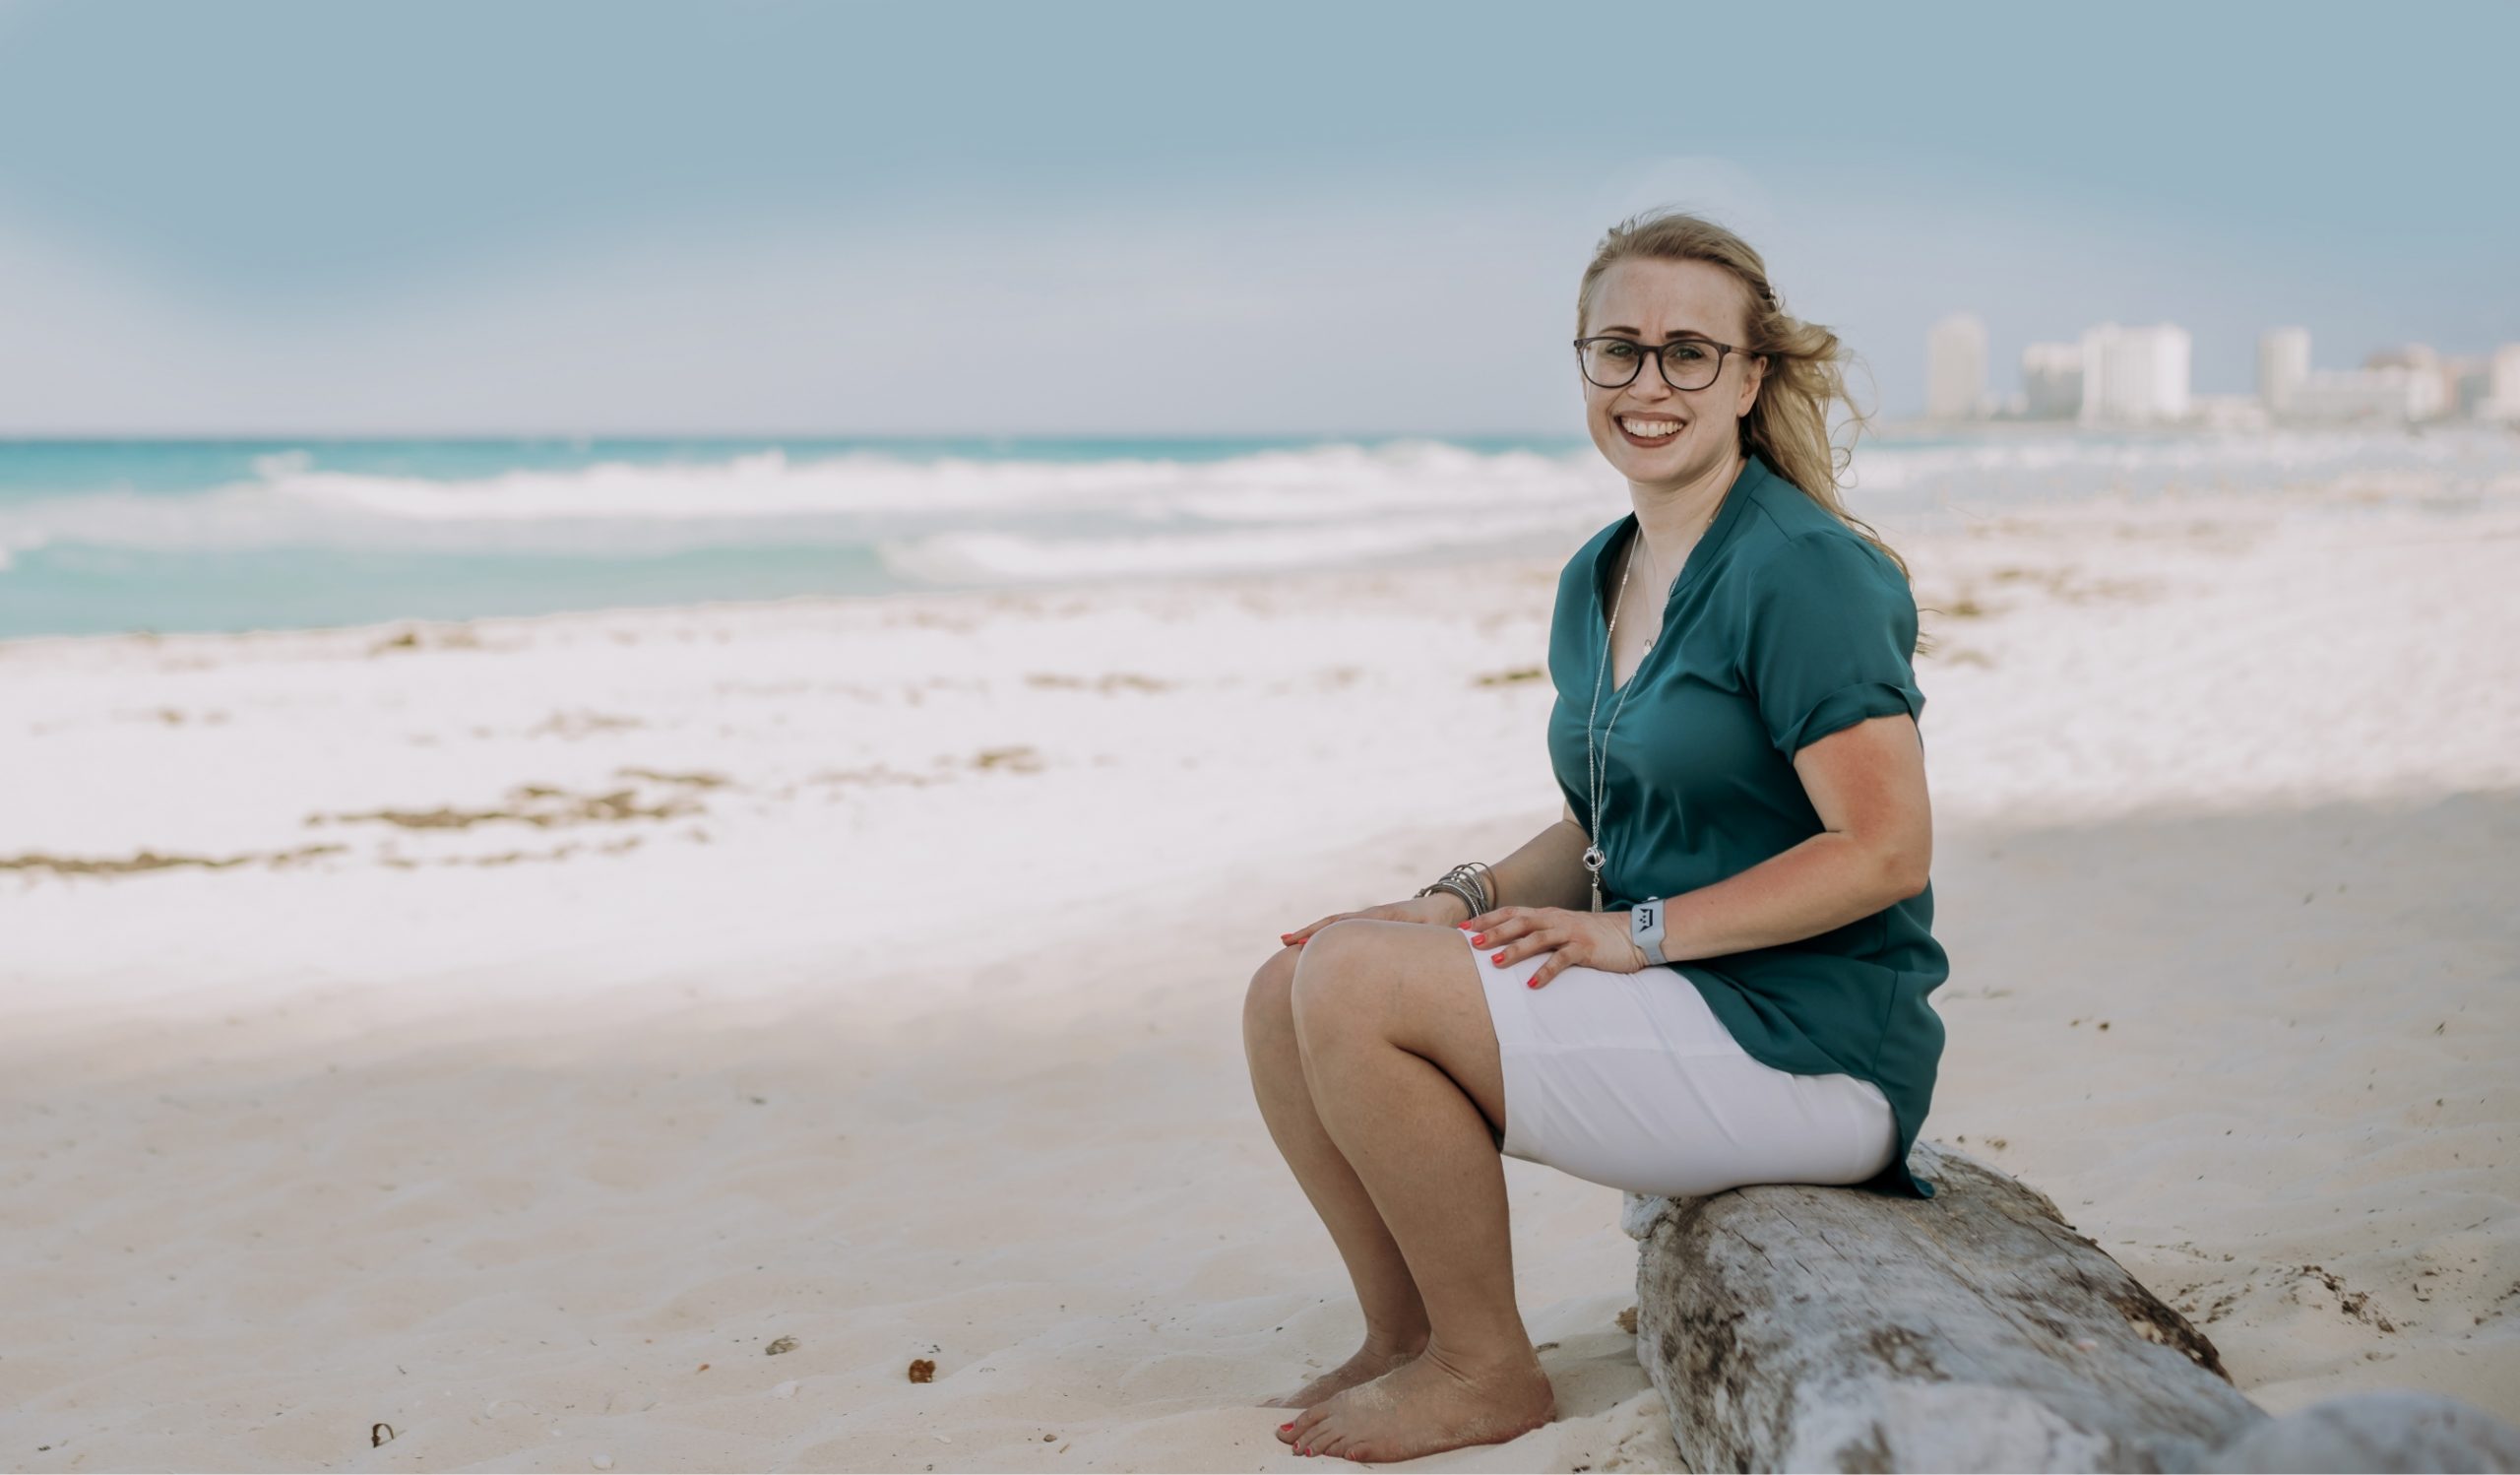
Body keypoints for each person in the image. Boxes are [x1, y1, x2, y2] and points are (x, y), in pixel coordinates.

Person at [1240, 207, 1948, 1464]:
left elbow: (1884, 850)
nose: (1648, 382)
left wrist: (1636, 935)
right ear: (1583, 364)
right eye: (1616, 349)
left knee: (1349, 989)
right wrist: (1451, 902)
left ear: (1750, 376)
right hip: (1677, 990)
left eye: (1688, 352)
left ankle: (1483, 1370)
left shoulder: (1805, 571)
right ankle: (1405, 1336)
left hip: (1806, 1044)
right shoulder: (1601, 572)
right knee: (1291, 978)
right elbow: (1608, 815)